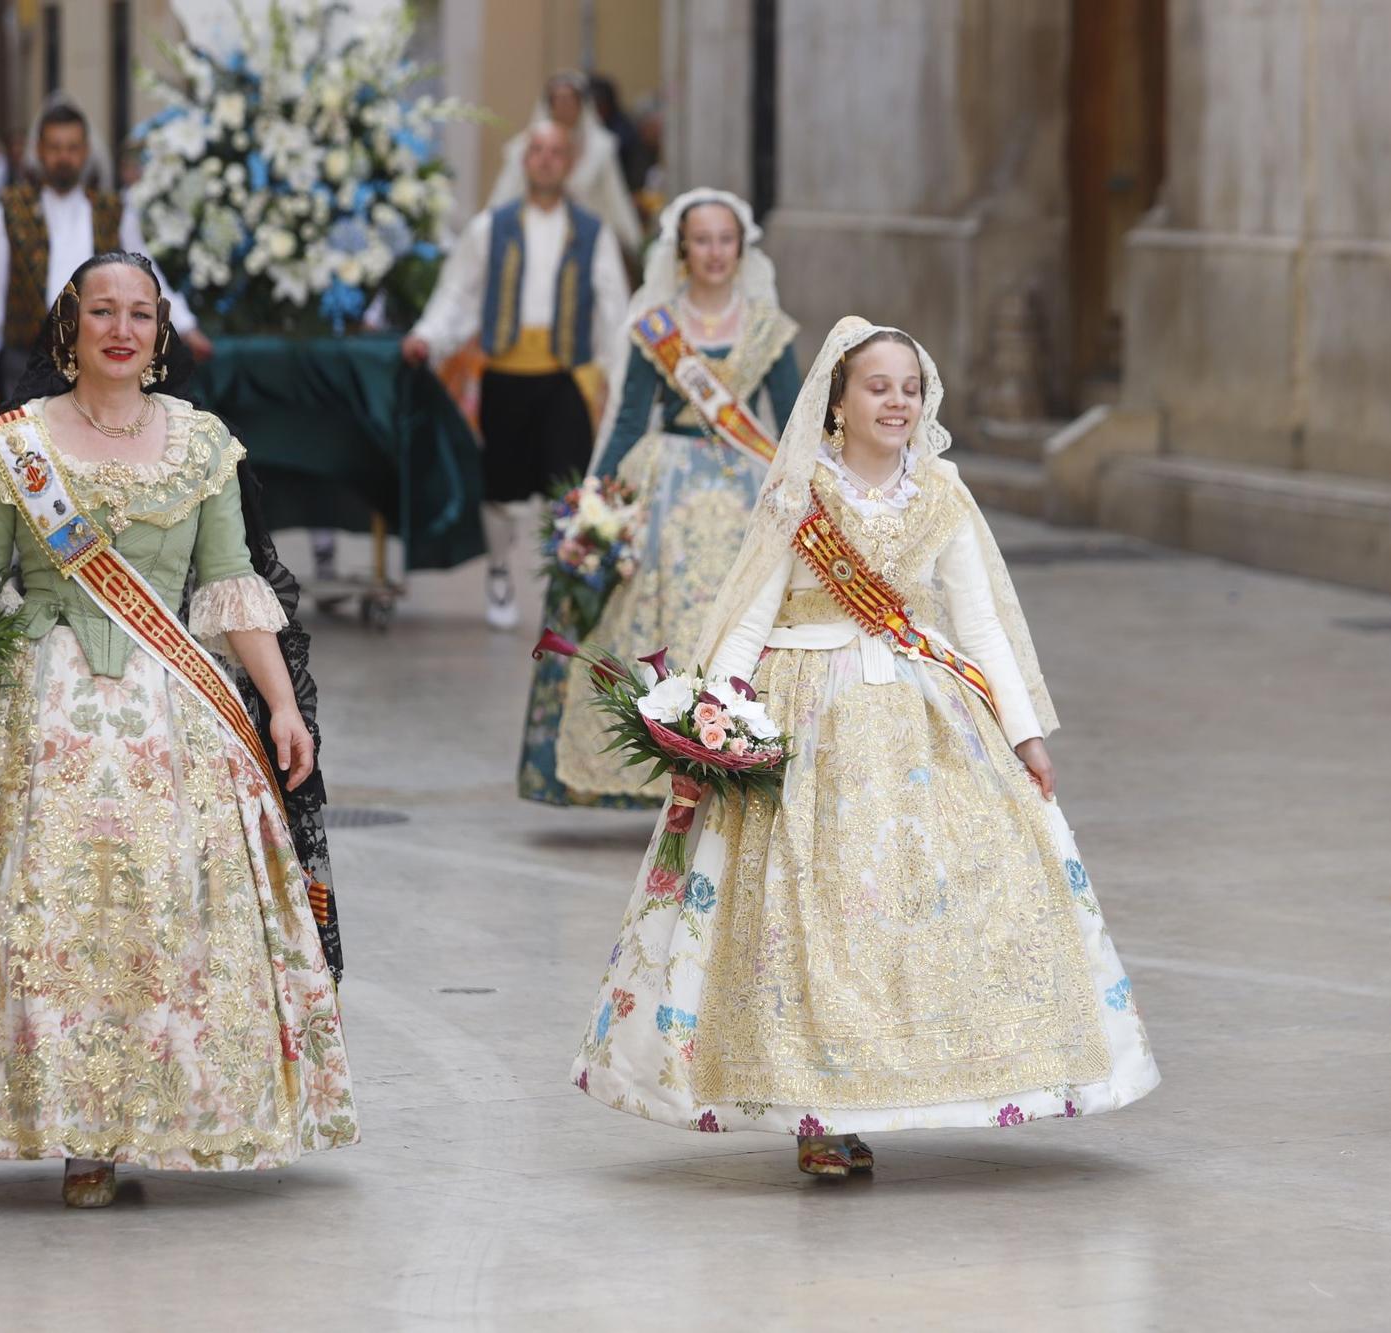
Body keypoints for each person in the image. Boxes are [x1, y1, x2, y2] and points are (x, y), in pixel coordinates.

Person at [568, 317, 1159, 1176]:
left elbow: (981, 621)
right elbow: (752, 616)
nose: (897, 401)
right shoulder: (800, 493)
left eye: (911, 388)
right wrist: (713, 722)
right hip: (807, 717)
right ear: (838, 401)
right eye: (878, 386)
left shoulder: (944, 492)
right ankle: (820, 1110)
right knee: (811, 918)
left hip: (926, 713)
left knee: (942, 901)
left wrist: (1024, 734)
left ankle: (941, 1076)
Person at [0, 252, 356, 1207]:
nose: (121, 329)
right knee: (43, 913)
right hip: (36, 707)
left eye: (140, 313)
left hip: (173, 708)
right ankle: (73, 1124)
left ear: (161, 333)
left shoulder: (203, 443)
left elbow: (231, 592)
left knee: (175, 910)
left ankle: (176, 1107)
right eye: (102, 311)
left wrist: (286, 705)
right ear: (71, 326)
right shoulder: (12, 444)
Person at [522, 189, 800, 806]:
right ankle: (666, 758)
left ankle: (738, 748)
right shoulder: (658, 326)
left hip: (744, 488)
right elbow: (627, 420)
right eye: (701, 240)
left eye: (725, 240)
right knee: (657, 610)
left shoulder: (767, 329)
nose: (714, 252)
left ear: (742, 247)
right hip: (665, 485)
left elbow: (791, 422)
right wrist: (599, 500)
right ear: (681, 250)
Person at [403, 121, 629, 630]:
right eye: (538, 150)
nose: (547, 160)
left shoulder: (593, 233)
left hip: (562, 375)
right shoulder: (491, 227)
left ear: (568, 164)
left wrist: (619, 373)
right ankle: (500, 569)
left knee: (571, 488)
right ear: (525, 160)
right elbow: (458, 293)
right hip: (505, 375)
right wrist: (427, 337)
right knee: (502, 492)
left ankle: (568, 587)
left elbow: (613, 309)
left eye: (556, 151)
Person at [0, 100, 209, 423]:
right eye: (55, 147)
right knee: (28, 458)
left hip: (99, 363)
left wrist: (187, 326)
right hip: (25, 362)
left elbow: (149, 279)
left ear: (85, 151)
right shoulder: (8, 213)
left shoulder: (113, 213)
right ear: (39, 150)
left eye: (72, 147)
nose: (63, 157)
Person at [488, 71, 643, 260]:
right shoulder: (525, 147)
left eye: (570, 101)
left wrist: (631, 241)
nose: (564, 108)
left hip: (585, 243)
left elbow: (615, 197)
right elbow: (505, 193)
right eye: (558, 101)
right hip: (530, 238)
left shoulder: (600, 150)